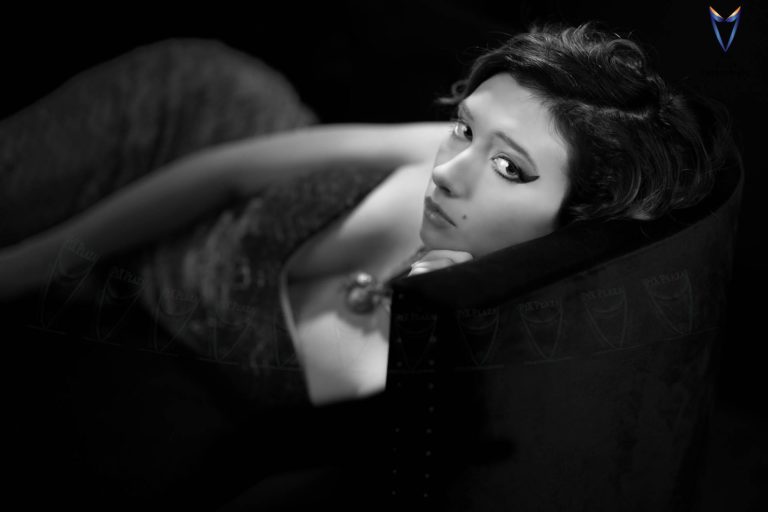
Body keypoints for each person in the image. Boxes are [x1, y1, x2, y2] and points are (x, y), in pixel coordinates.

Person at [0, 21, 734, 407]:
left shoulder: (498, 358)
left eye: (511, 168)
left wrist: (422, 312)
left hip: (154, 275)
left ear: (579, 221)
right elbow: (226, 171)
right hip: (190, 114)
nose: (446, 172)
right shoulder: (437, 158)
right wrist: (22, 270)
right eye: (465, 128)